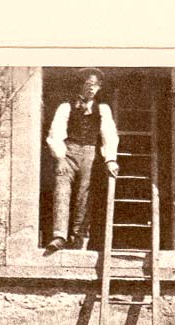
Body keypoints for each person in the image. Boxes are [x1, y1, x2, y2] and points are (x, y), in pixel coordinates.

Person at [45, 67, 119, 253]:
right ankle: (59, 236)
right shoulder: (66, 106)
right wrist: (60, 157)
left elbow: (109, 134)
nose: (92, 88)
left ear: (99, 87)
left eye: (95, 85)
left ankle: (79, 237)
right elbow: (56, 132)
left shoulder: (102, 109)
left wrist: (110, 159)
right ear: (81, 85)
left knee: (84, 195)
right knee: (61, 189)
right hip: (68, 152)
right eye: (88, 84)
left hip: (90, 154)